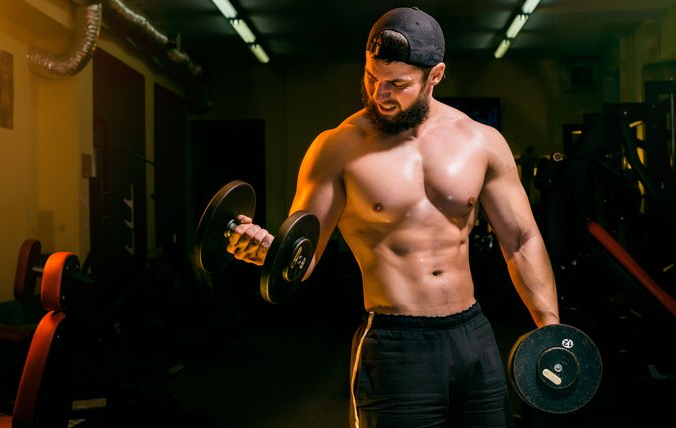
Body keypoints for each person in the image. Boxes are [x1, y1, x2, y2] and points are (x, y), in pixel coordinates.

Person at [228, 7, 560, 428]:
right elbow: (302, 256)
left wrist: (550, 329)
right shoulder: (336, 148)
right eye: (371, 77)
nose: (380, 93)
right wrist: (265, 252)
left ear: (435, 75)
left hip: (473, 336)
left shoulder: (481, 142)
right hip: (394, 344)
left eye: (397, 84)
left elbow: (521, 240)